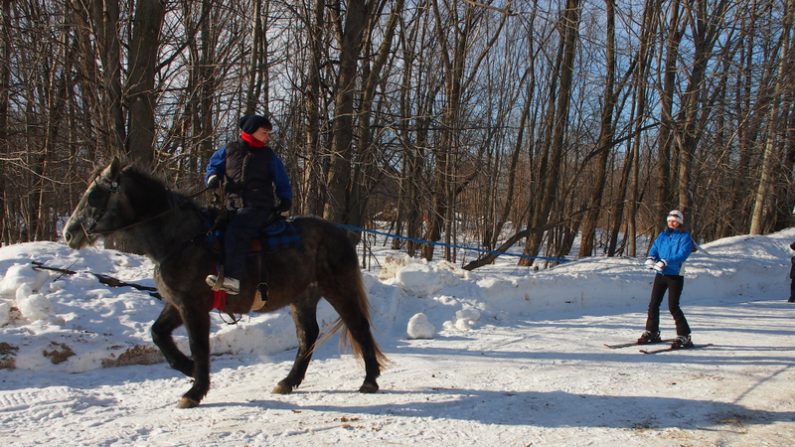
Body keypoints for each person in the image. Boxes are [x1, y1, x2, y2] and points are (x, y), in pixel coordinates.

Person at [203, 114, 292, 295]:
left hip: (258, 207)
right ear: (251, 131)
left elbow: (281, 178)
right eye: (264, 132)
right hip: (231, 206)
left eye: (268, 133)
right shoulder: (229, 150)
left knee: (237, 230)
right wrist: (212, 178)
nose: (268, 137)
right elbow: (213, 166)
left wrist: (285, 198)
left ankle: (233, 279)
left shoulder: (268, 156)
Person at [637, 209, 695, 349]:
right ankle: (652, 331)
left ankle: (684, 335)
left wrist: (665, 261)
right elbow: (655, 247)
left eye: (675, 221)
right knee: (653, 304)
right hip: (661, 274)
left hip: (675, 275)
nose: (672, 223)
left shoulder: (685, 237)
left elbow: (682, 255)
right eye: (669, 221)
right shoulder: (663, 235)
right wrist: (651, 258)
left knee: (673, 306)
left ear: (680, 222)